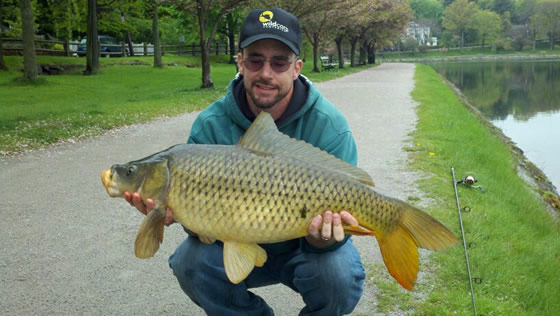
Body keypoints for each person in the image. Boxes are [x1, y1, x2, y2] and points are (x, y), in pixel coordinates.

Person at [125, 8, 365, 315]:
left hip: (304, 251)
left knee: (339, 273)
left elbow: (338, 234)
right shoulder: (210, 125)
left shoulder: (330, 127)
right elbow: (202, 232)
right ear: (240, 62)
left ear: (296, 68)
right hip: (233, 246)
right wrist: (181, 215)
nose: (266, 72)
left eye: (279, 62)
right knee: (190, 262)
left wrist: (322, 240)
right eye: (255, 59)